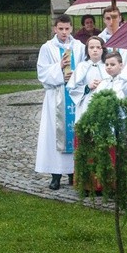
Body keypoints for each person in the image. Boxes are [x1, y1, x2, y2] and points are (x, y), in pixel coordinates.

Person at [35, 14, 86, 190]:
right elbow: (42, 72)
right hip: (55, 96)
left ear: (71, 28)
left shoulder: (79, 47)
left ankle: (73, 174)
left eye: (67, 29)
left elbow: (84, 67)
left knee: (75, 134)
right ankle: (55, 175)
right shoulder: (47, 48)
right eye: (61, 29)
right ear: (55, 29)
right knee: (53, 135)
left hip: (74, 96)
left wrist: (75, 77)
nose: (64, 32)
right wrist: (59, 69)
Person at [67, 36, 109, 120]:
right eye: (91, 47)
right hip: (86, 104)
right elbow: (72, 89)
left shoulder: (108, 66)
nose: (95, 50)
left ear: (102, 50)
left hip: (105, 104)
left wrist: (104, 84)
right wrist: (87, 87)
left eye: (98, 47)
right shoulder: (82, 66)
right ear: (87, 50)